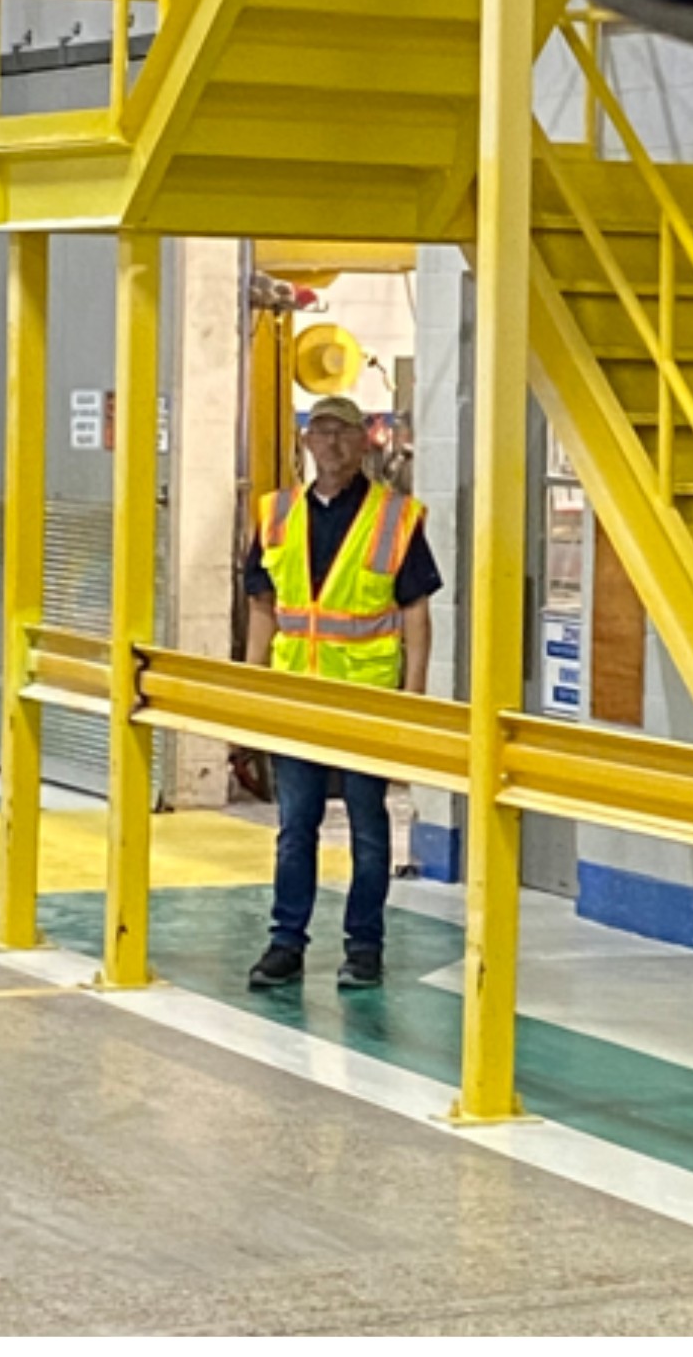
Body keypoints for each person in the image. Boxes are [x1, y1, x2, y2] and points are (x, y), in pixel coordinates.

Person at [240, 395, 443, 991]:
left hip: (365, 697)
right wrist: (250, 690)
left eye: (343, 433)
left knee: (368, 826)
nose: (331, 444)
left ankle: (364, 948)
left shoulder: (394, 516)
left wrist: (413, 702)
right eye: (321, 431)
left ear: (364, 443)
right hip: (296, 696)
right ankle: (285, 943)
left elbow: (416, 615)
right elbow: (262, 606)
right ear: (306, 441)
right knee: (294, 826)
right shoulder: (277, 514)